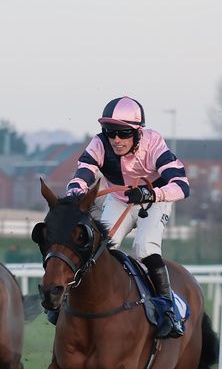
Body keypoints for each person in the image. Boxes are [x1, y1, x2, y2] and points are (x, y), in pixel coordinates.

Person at [65, 96, 190, 338]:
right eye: (110, 132)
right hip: (119, 199)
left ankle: (167, 310)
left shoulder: (153, 142)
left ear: (138, 132)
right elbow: (83, 174)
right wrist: (74, 195)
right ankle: (74, 301)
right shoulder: (99, 143)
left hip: (155, 200)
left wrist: (151, 194)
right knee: (98, 249)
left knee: (144, 248)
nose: (116, 140)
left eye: (123, 133)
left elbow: (182, 185)